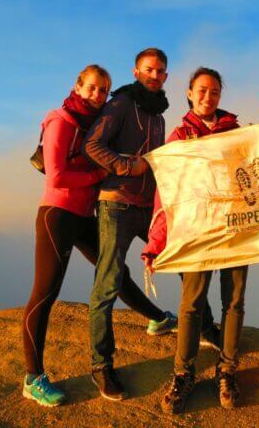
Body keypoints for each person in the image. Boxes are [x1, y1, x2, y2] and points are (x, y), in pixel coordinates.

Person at [21, 64, 176, 407]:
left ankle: (158, 319)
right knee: (45, 293)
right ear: (77, 86)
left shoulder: (89, 122)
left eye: (103, 90)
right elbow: (57, 176)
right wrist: (99, 172)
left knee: (114, 273)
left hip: (82, 215)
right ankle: (33, 378)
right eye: (92, 88)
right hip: (57, 216)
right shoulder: (61, 120)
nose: (98, 95)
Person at [142, 67, 246, 414]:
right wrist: (156, 242)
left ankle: (227, 370)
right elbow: (165, 196)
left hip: (234, 229)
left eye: (214, 92)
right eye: (202, 91)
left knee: (233, 301)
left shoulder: (236, 133)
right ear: (189, 93)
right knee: (191, 304)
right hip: (195, 232)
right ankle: (183, 373)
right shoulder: (178, 139)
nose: (208, 97)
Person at [82, 48, 176, 401]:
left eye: (161, 71)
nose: (155, 75)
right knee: (108, 283)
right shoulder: (121, 104)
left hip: (146, 206)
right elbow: (93, 145)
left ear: (166, 76)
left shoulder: (159, 115)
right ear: (136, 71)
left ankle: (191, 325)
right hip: (116, 204)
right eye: (149, 69)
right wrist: (125, 166)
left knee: (181, 256)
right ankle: (101, 366)